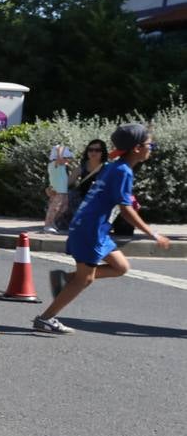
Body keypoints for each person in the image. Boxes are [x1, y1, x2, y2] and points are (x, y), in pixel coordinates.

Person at [34, 124, 171, 334]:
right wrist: (152, 233)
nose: (151, 147)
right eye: (148, 144)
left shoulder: (114, 166)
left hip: (95, 227)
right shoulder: (122, 171)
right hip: (91, 229)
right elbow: (126, 210)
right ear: (136, 148)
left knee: (121, 267)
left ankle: (65, 279)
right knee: (85, 278)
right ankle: (45, 318)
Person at [68, 137, 107, 216]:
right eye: (90, 150)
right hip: (82, 202)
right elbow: (67, 183)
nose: (93, 152)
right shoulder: (82, 167)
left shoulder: (107, 168)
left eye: (97, 150)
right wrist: (52, 188)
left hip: (101, 201)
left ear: (103, 152)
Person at [43, 143, 74, 232]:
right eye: (65, 158)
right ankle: (48, 224)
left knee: (64, 207)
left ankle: (52, 222)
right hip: (57, 190)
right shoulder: (55, 164)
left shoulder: (62, 166)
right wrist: (60, 149)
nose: (67, 160)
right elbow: (60, 156)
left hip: (63, 190)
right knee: (54, 207)